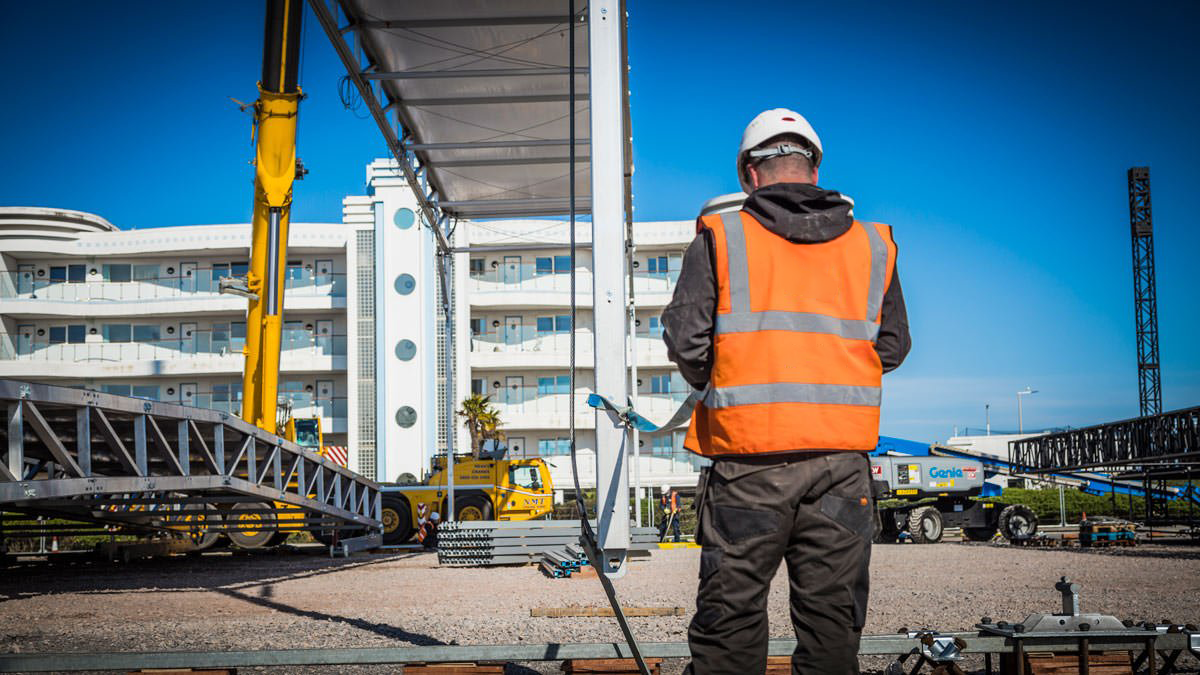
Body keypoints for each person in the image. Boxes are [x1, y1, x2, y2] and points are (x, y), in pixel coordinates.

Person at [664, 108, 911, 674]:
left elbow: (686, 337)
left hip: (749, 464)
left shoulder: (723, 236)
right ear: (814, 168)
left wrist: (725, 381)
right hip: (841, 466)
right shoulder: (873, 246)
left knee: (730, 624)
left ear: (748, 173)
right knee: (831, 629)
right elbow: (892, 346)